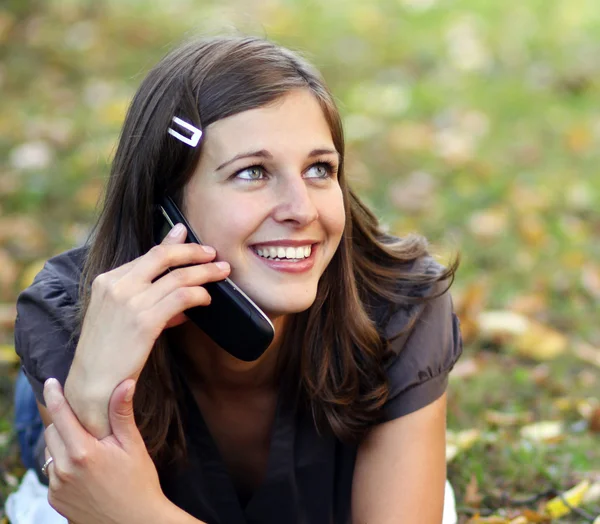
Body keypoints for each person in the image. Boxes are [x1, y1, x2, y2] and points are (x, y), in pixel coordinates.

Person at [13, 35, 463, 523]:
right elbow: (84, 496)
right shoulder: (66, 318)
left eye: (319, 169)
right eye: (252, 172)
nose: (301, 209)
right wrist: (97, 383)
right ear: (163, 209)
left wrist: (141, 513)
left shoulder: (398, 303)